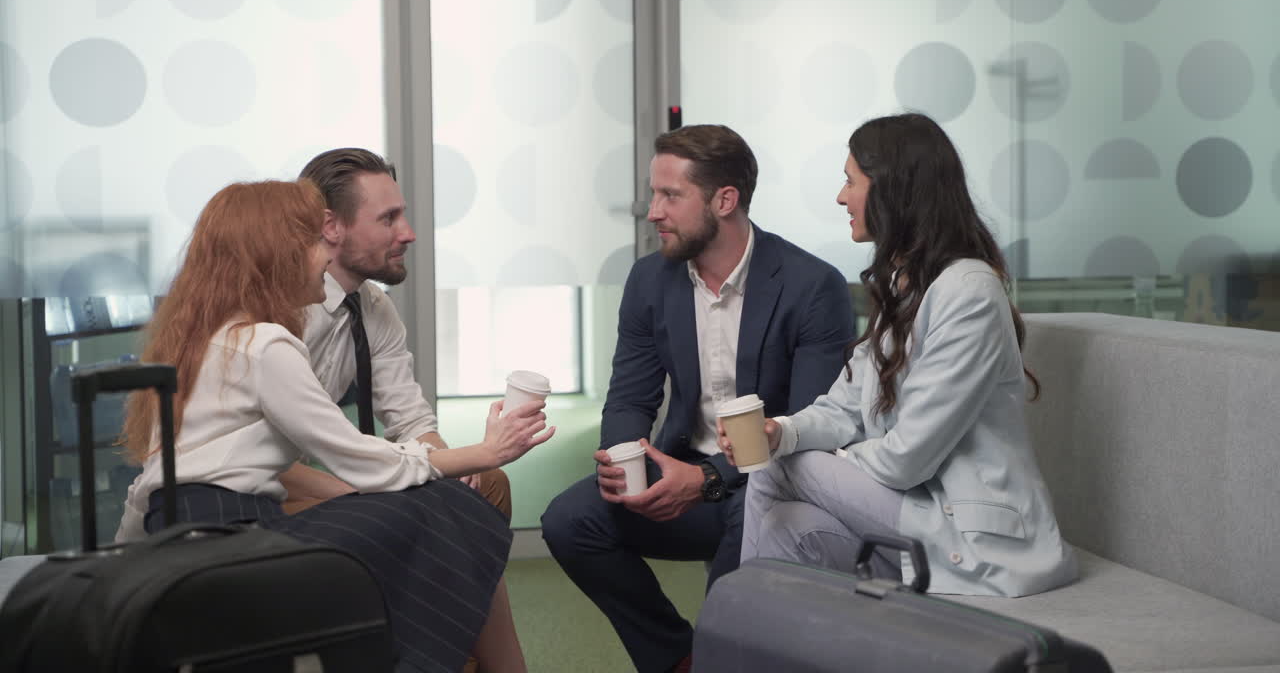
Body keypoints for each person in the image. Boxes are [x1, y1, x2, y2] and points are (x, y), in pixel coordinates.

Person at [115, 180, 553, 673]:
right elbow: (359, 459)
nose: (327, 252)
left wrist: (124, 555)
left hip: (194, 528)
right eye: (315, 240)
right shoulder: (265, 344)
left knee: (450, 503)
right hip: (240, 531)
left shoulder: (205, 337)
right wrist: (486, 451)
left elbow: (158, 481)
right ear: (276, 256)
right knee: (448, 506)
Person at [541, 124, 856, 673]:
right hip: (681, 470)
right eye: (653, 193)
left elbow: (812, 426)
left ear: (724, 200)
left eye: (670, 196)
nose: (652, 211)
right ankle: (678, 658)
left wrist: (709, 478)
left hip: (770, 480)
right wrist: (627, 467)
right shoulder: (649, 281)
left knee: (746, 540)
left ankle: (719, 656)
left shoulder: (812, 286)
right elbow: (629, 396)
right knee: (570, 520)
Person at [724, 112, 1077, 597]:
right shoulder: (905, 287)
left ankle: (735, 634)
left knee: (775, 467)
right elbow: (845, 406)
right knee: (788, 523)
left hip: (976, 538)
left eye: (850, 182)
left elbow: (908, 458)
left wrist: (824, 458)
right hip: (917, 514)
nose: (840, 197)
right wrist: (781, 431)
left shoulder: (968, 292)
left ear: (893, 190)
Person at [278, 147, 511, 521]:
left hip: (334, 471)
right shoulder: (277, 308)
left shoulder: (372, 305)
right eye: (389, 219)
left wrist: (451, 462)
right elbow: (258, 459)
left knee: (486, 482)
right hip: (260, 483)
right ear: (331, 226)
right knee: (386, 509)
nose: (409, 233)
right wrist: (368, 492)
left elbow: (411, 420)